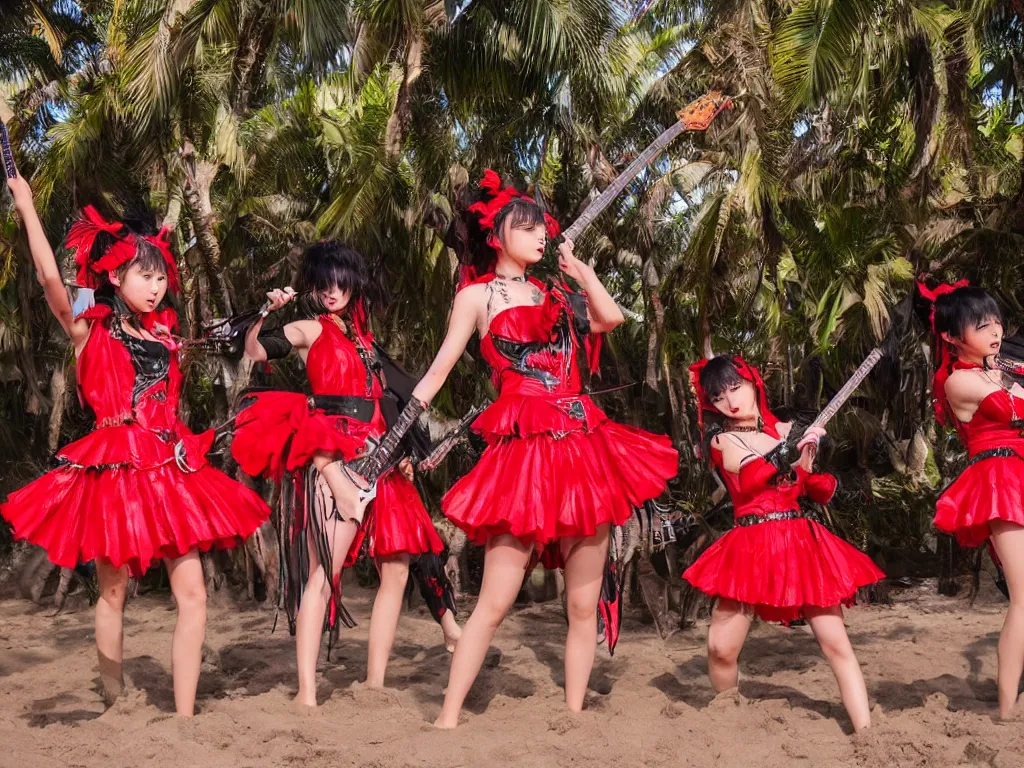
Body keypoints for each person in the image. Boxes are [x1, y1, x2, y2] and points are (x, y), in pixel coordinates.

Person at [389, 169, 678, 727]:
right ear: (497, 236)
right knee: (495, 602)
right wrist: (397, 432)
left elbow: (610, 318)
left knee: (580, 604)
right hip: (524, 456)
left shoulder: (558, 292)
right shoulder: (476, 296)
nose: (542, 234)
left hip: (583, 446)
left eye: (544, 226)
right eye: (527, 227)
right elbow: (438, 370)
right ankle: (448, 716)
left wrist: (584, 272)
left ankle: (571, 713)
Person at [1, 172, 271, 717]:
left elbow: (236, 344)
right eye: (142, 276)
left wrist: (265, 311)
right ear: (115, 274)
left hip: (170, 470)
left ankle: (186, 716)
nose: (155, 286)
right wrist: (27, 206)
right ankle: (113, 702)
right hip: (118, 471)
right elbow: (50, 277)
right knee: (113, 593)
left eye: (159, 277)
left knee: (193, 596)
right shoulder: (90, 331)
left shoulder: (167, 334)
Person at [231, 240, 460, 707]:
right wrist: (265, 312)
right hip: (334, 453)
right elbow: (256, 351)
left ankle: (375, 684)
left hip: (380, 454)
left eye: (340, 281)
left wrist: (409, 452)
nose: (332, 290)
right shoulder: (309, 328)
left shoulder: (365, 339)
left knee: (396, 568)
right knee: (323, 574)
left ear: (353, 283)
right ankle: (307, 693)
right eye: (323, 282)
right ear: (314, 285)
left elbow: (392, 400)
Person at [683, 355, 883, 732]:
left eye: (735, 387)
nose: (730, 400)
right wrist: (788, 451)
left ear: (753, 383)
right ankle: (729, 720)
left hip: (800, 542)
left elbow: (815, 490)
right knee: (720, 649)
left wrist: (808, 458)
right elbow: (752, 477)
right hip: (749, 544)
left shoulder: (784, 431)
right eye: (718, 395)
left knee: (836, 644)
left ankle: (866, 732)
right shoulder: (722, 439)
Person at [920, 281, 1024, 719]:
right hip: (999, 481)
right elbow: (1013, 409)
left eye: (997, 321)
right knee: (1023, 598)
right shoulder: (958, 380)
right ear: (949, 336)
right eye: (982, 325)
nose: (995, 331)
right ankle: (1004, 711)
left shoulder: (998, 367)